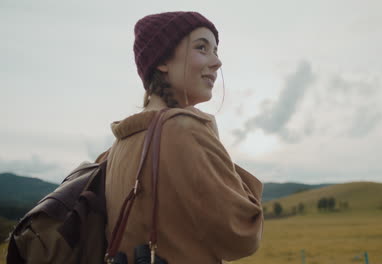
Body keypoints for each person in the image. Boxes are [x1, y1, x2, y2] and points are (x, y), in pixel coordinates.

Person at [97, 11, 263, 264]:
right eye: (202, 47)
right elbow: (242, 234)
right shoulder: (185, 132)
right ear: (162, 61)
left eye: (216, 51)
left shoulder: (118, 145)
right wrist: (209, 135)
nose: (217, 62)